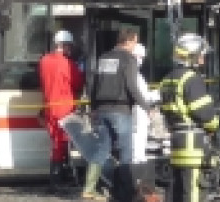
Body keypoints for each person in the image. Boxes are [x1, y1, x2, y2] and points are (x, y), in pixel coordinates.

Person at [158, 33, 220, 202]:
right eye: (200, 55)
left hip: (176, 137)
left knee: (176, 186)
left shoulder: (168, 78)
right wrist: (214, 125)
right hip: (193, 140)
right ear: (191, 56)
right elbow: (204, 113)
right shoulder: (191, 79)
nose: (203, 59)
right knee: (193, 187)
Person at [89, 28, 147, 168]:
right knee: (126, 151)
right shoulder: (129, 59)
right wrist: (147, 107)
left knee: (103, 149)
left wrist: (93, 108)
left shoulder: (103, 58)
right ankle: (124, 188)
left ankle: (89, 187)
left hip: (102, 110)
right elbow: (131, 86)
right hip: (121, 110)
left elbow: (94, 84)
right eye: (135, 42)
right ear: (128, 41)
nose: (135, 46)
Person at [39, 30, 85, 189]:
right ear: (65, 46)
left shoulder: (44, 61)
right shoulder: (67, 64)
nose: (70, 50)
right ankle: (58, 179)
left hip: (49, 107)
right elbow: (78, 82)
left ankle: (57, 177)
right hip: (64, 108)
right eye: (69, 47)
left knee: (56, 143)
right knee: (62, 143)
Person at [129, 42, 161, 164]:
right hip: (138, 111)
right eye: (139, 57)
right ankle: (137, 161)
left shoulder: (136, 75)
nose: (141, 60)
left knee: (139, 135)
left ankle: (138, 159)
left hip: (139, 110)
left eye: (142, 58)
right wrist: (158, 94)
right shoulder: (134, 75)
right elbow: (141, 95)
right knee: (137, 135)